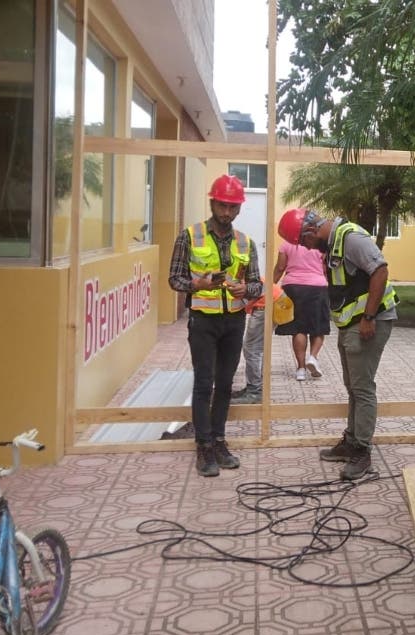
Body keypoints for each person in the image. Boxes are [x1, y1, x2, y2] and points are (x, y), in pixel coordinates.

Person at [277, 208, 398, 480]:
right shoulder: (334, 244)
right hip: (352, 323)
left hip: (370, 322)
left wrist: (369, 317)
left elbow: (380, 271)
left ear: (310, 231)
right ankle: (351, 441)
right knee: (352, 386)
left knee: (362, 388)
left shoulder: (351, 238)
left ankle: (362, 451)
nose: (308, 248)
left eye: (304, 242)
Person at [168, 174, 262, 478]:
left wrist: (245, 290)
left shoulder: (245, 242)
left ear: (239, 208)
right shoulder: (189, 236)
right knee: (203, 383)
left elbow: (257, 285)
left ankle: (219, 441)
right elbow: (174, 278)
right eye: (222, 205)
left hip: (233, 321)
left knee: (224, 384)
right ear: (212, 203)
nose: (227, 212)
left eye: (233, 207)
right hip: (203, 321)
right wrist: (196, 284)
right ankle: (204, 445)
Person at [271, 238, 331, 381]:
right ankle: (313, 357)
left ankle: (301, 369)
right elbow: (326, 268)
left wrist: (270, 284)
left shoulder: (287, 244)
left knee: (298, 328)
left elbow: (280, 267)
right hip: (318, 287)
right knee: (318, 327)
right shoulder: (320, 243)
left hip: (293, 288)